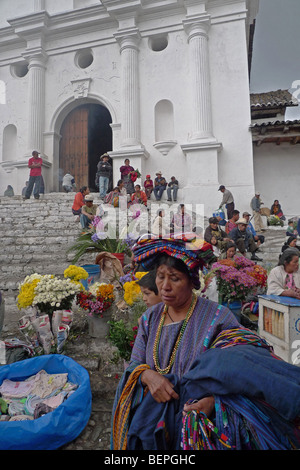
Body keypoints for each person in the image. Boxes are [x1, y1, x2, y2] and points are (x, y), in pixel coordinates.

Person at [111, 235, 300, 451]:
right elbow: (135, 364)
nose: (165, 286)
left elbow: (240, 373)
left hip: (200, 425)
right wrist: (148, 376)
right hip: (156, 423)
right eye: (160, 277)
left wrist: (211, 401)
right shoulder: (150, 319)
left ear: (192, 282)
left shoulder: (218, 317)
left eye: (174, 278)